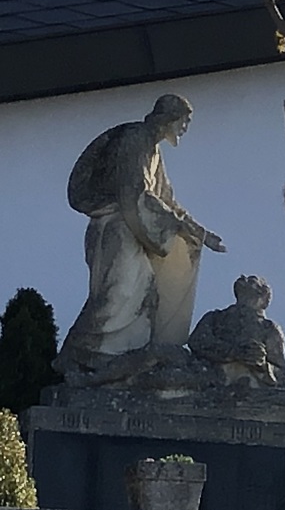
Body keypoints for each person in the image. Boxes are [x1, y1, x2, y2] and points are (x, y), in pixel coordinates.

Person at [58, 93, 226, 379]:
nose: (185, 128)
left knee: (143, 292)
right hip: (116, 228)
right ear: (168, 118)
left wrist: (201, 232)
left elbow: (167, 200)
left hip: (132, 231)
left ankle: (119, 362)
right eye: (184, 121)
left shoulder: (153, 150)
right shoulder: (135, 139)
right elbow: (135, 193)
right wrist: (177, 225)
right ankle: (78, 357)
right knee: (116, 294)